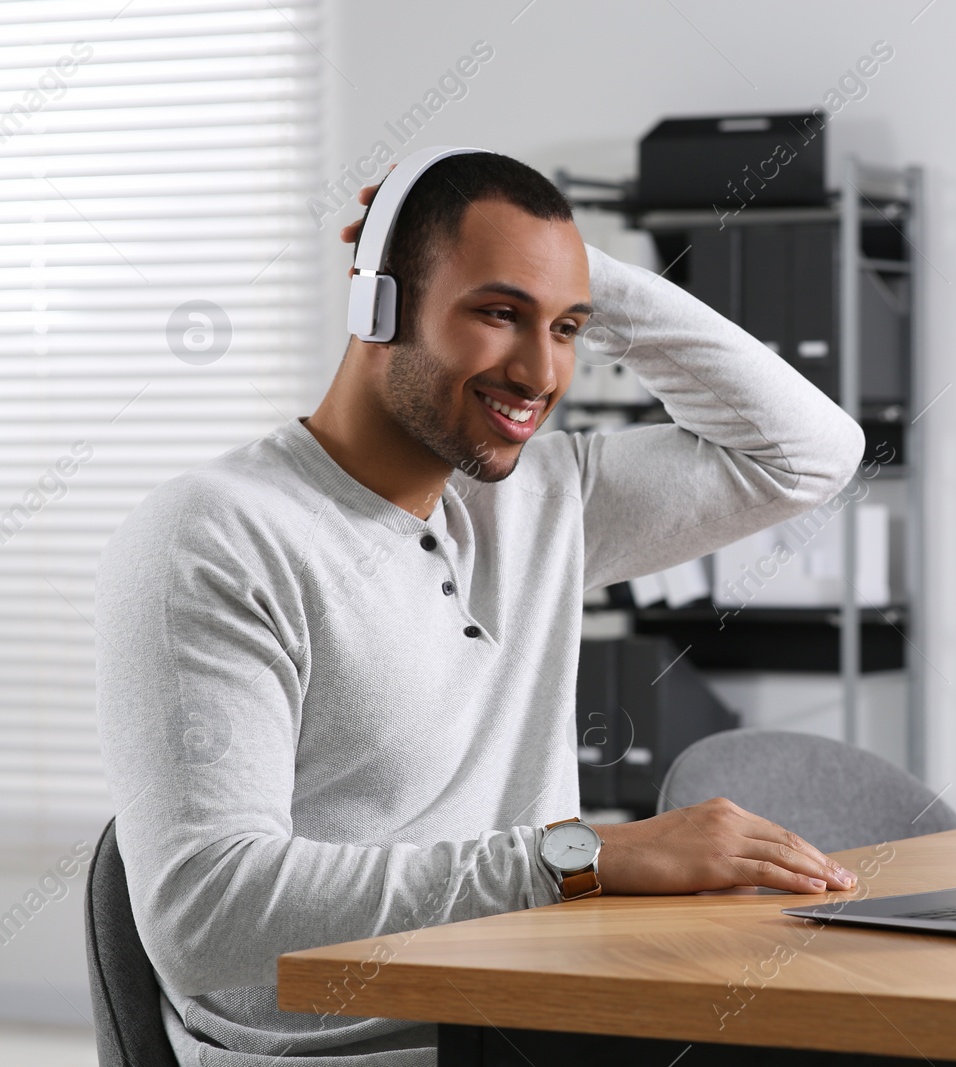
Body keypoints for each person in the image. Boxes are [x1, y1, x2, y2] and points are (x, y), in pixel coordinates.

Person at [94, 150, 865, 1065]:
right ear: (377, 304)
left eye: (567, 327)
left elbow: (810, 452)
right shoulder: (213, 535)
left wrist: (578, 270)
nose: (541, 372)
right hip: (363, 1048)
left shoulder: (539, 494)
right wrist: (581, 857)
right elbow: (205, 914)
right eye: (499, 313)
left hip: (545, 1009)